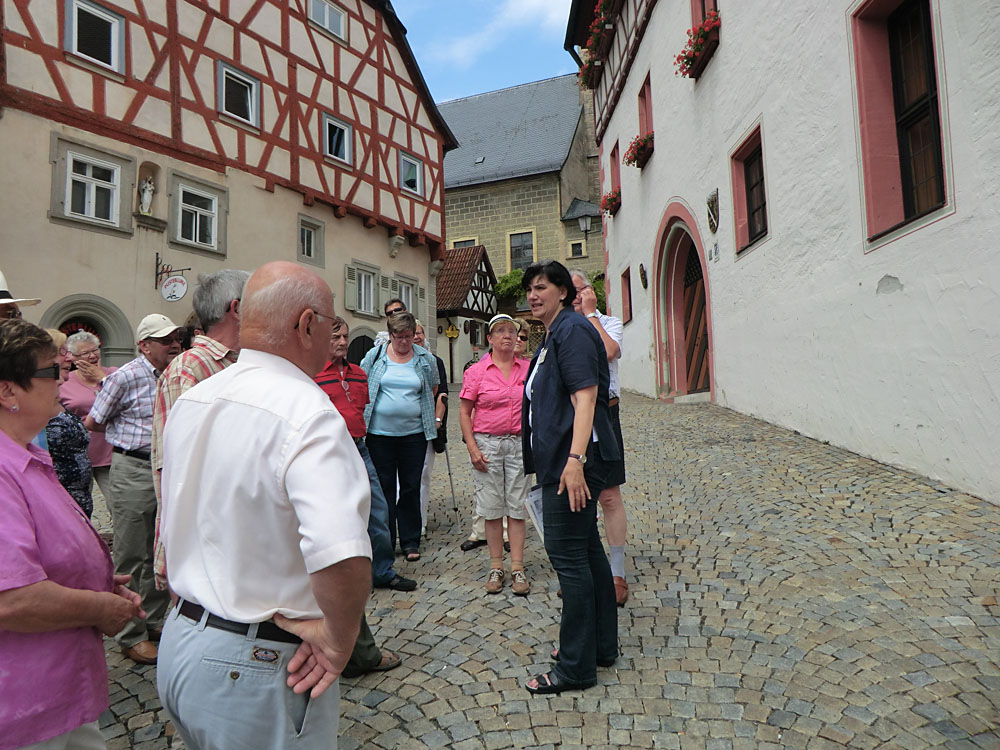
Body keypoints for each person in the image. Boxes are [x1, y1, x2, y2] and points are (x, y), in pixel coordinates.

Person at [157, 261, 371, 750]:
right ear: (306, 325)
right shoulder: (307, 412)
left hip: (183, 639)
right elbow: (339, 552)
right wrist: (340, 640)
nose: (335, 331)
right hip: (255, 663)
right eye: (332, 321)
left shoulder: (196, 399)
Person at [0, 319, 145, 750]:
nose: (64, 377)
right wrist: (99, 607)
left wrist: (93, 578)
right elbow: (12, 599)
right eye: (52, 371)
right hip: (24, 711)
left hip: (58, 694)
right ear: (8, 391)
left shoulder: (26, 453)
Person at [519, 260, 620, 695]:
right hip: (563, 460)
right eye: (529, 289)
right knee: (587, 551)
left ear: (563, 291)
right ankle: (600, 644)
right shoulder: (553, 334)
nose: (533, 295)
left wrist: (575, 460)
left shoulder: (573, 330)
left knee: (568, 558)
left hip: (570, 463)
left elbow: (586, 397)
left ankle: (576, 668)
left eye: (542, 287)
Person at [84, 313, 181, 664]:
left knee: (159, 547)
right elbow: (94, 421)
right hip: (133, 467)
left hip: (164, 469)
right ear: (144, 345)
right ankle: (129, 634)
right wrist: (126, 438)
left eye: (175, 337)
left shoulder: (174, 373)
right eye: (164, 339)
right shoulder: (125, 376)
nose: (173, 343)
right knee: (131, 553)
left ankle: (154, 621)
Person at [314, 316, 407, 678]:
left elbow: (360, 407)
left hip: (360, 447)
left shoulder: (357, 373)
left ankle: (378, 570)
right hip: (332, 453)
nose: (341, 342)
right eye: (335, 336)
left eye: (344, 336)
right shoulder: (314, 375)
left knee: (378, 510)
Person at [149, 269, 249, 591]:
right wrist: (171, 558)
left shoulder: (236, 364)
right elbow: (176, 472)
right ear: (236, 309)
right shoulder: (188, 370)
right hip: (203, 549)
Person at [459, 314, 531, 596]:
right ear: (489, 338)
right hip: (486, 444)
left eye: (511, 331)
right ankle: (495, 565)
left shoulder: (527, 368)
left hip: (518, 444)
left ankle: (517, 566)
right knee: (490, 509)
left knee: (516, 507)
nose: (507, 336)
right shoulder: (476, 372)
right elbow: (465, 413)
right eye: (500, 331)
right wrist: (472, 447)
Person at [569, 269, 630, 606]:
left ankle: (617, 572)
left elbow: (608, 352)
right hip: (574, 414)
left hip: (605, 412)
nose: (573, 297)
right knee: (581, 495)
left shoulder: (608, 322)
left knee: (608, 495)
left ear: (589, 292)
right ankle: (586, 569)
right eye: (570, 292)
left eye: (578, 291)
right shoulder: (563, 326)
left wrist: (591, 315)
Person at [360, 311, 439, 561]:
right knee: (382, 489)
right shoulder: (376, 356)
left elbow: (433, 388)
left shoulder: (425, 359)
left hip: (413, 435)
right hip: (379, 435)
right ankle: (385, 540)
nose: (404, 342)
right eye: (399, 337)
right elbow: (363, 382)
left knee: (410, 487)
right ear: (390, 335)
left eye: (409, 336)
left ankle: (410, 540)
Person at [44, 329, 94, 517]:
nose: (69, 359)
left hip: (78, 497)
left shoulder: (55, 391)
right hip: (55, 501)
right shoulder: (34, 399)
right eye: (63, 352)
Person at [62, 331, 118, 502]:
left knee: (118, 506)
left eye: (95, 350)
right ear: (72, 357)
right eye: (86, 353)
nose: (92, 356)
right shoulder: (65, 381)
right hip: (77, 456)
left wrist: (103, 379)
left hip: (110, 454)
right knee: (79, 508)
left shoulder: (113, 375)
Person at [413, 319, 447, 537]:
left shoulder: (435, 361)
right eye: (413, 332)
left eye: (420, 332)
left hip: (427, 427)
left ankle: (421, 522)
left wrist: (437, 421)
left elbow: (442, 393)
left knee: (423, 474)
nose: (417, 336)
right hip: (402, 428)